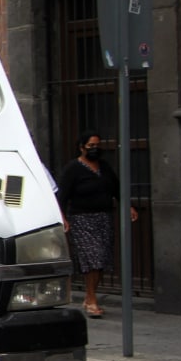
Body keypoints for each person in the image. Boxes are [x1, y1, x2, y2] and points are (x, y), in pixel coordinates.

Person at [56, 131, 138, 319]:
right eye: (90, 146)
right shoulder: (73, 169)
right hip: (82, 218)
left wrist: (128, 206)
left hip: (104, 217)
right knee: (93, 257)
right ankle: (91, 299)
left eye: (97, 145)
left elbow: (117, 189)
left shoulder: (104, 167)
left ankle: (89, 296)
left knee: (102, 260)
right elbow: (62, 196)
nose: (95, 149)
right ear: (82, 147)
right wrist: (63, 218)